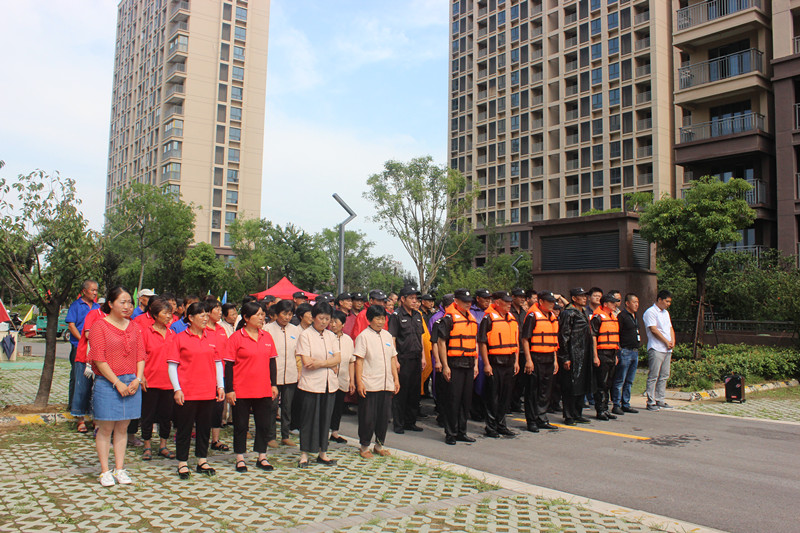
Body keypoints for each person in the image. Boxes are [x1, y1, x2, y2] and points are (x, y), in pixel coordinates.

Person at [88, 286, 145, 487]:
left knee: (123, 427)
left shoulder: (134, 326)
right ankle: (105, 471)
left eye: (130, 302)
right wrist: (117, 382)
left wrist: (138, 379)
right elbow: (99, 358)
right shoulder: (99, 326)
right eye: (122, 302)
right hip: (108, 382)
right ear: (110, 304)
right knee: (105, 428)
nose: (127, 306)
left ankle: (119, 468)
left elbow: (140, 355)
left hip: (131, 382)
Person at [167, 302, 226, 479]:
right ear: (191, 318)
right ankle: (182, 462)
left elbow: (218, 363)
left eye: (206, 315)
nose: (205, 318)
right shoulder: (179, 338)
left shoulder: (211, 337)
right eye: (201, 315)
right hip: (188, 391)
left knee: (204, 427)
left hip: (207, 391)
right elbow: (172, 365)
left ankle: (202, 459)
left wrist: (220, 386)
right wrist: (177, 389)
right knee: (184, 428)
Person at [225, 301, 279, 472]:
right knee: (241, 425)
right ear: (246, 318)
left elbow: (272, 362)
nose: (262, 318)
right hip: (241, 389)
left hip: (263, 388)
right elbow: (228, 366)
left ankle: (262, 456)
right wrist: (229, 389)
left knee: (263, 424)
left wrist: (274, 384)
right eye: (258, 315)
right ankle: (240, 457)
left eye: (263, 314)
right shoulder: (236, 338)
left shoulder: (267, 337)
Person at [295, 302, 341, 468]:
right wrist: (329, 363)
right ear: (313, 317)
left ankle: (323, 453)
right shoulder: (306, 335)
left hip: (329, 384)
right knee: (309, 419)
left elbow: (338, 358)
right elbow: (307, 362)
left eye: (327, 319)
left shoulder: (331, 336)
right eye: (321, 318)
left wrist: (320, 363)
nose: (324, 322)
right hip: (311, 384)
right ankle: (304, 454)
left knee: (325, 419)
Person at [355, 305, 400, 458]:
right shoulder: (363, 336)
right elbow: (359, 360)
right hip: (370, 384)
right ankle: (364, 447)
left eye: (383, 319)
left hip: (386, 384)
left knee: (383, 417)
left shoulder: (387, 336)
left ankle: (379, 445)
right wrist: (359, 382)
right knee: (368, 417)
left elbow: (392, 358)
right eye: (377, 318)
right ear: (369, 319)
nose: (381, 322)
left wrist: (396, 379)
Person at [436, 289, 479, 445]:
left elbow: (474, 341)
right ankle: (451, 433)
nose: (468, 304)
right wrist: (445, 365)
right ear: (456, 301)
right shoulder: (449, 318)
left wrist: (475, 364)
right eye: (465, 301)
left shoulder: (471, 318)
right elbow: (441, 342)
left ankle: (462, 431)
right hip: (454, 364)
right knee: (453, 400)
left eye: (469, 301)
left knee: (465, 400)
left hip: (469, 363)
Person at [139, 297, 177, 461]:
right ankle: (147, 445)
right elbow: (139, 356)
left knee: (166, 417)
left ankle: (163, 445)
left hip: (168, 383)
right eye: (165, 313)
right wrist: (141, 376)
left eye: (170, 313)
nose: (168, 316)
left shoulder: (173, 334)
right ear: (155, 315)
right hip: (150, 381)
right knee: (147, 415)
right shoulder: (146, 333)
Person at [478, 291, 519, 438]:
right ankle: (491, 427)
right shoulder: (488, 318)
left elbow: (516, 342)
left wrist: (516, 361)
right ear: (497, 303)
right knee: (493, 396)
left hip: (509, 361)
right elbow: (482, 342)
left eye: (509, 302)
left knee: (505, 396)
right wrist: (486, 364)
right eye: (505, 302)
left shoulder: (511, 318)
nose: (509, 304)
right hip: (495, 362)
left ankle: (501, 425)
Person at [521, 291, 560, 432]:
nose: (552, 305)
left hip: (549, 357)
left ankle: (542, 418)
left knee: (545, 391)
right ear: (541, 302)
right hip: (536, 357)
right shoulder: (532, 316)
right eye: (549, 302)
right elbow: (525, 339)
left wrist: (555, 360)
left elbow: (553, 340)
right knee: (533, 391)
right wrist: (528, 360)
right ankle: (531, 421)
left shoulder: (552, 317)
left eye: (553, 302)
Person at [389, 287, 425, 434]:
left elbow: (420, 337)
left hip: (416, 358)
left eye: (416, 298)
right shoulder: (396, 316)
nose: (414, 301)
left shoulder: (417, 315)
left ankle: (411, 422)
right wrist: (395, 360)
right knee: (401, 392)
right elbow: (392, 339)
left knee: (414, 392)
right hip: (403, 358)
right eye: (411, 298)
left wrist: (423, 356)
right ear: (403, 299)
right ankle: (399, 424)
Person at [265, 300, 300, 447]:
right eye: (284, 314)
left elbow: (299, 353)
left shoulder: (295, 330)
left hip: (291, 374)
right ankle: (270, 436)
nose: (287, 317)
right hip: (273, 375)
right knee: (272, 407)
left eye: (290, 314)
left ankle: (285, 435)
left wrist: (299, 371)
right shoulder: (267, 329)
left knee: (287, 407)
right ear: (277, 313)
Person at [557, 288, 594, 426]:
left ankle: (578, 413)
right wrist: (565, 357)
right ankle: (569, 415)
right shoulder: (568, 313)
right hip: (573, 353)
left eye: (585, 296)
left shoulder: (583, 312)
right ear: (574, 298)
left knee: (581, 385)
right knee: (570, 386)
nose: (585, 298)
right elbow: (564, 336)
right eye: (581, 296)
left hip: (584, 354)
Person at [71, 303, 107, 434]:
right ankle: (80, 418)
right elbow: (88, 334)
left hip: (103, 360)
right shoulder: (94, 314)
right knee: (82, 388)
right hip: (85, 357)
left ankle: (96, 418)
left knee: (98, 391)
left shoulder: (114, 317)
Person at [66, 280, 100, 412]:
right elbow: (71, 325)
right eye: (92, 290)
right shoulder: (76, 305)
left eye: (96, 290)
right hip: (79, 346)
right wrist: (83, 341)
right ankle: (74, 406)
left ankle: (89, 406)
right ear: (84, 291)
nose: (95, 293)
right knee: (77, 377)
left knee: (93, 378)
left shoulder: (97, 307)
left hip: (94, 348)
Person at [590, 294, 621, 421]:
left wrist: (616, 355)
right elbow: (593, 337)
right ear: (605, 304)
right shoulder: (597, 317)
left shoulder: (613, 317)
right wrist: (595, 356)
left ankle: (605, 409)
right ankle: (600, 410)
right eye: (612, 303)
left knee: (608, 383)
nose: (615, 305)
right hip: (602, 353)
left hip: (612, 353)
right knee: (601, 383)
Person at [206, 300, 231, 452]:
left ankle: (215, 440)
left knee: (218, 406)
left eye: (220, 309)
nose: (220, 312)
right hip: (205, 373)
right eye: (216, 309)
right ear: (207, 312)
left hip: (220, 373)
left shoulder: (221, 329)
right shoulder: (202, 329)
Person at [643, 290, 675, 411]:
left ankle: (660, 399)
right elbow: (653, 329)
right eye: (667, 301)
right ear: (660, 299)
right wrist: (665, 341)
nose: (668, 304)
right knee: (654, 375)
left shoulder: (666, 313)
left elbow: (670, 328)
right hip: (656, 347)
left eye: (669, 302)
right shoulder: (650, 312)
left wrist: (672, 341)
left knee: (664, 375)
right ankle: (651, 401)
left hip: (667, 349)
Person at [329, 310, 355, 444]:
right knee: (327, 407)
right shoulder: (327, 337)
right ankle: (323, 432)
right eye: (331, 321)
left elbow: (351, 361)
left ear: (343, 324)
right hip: (328, 379)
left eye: (336, 322)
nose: (333, 324)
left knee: (338, 407)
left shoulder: (348, 340)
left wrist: (352, 381)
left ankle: (334, 432)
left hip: (342, 379)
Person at [612, 293, 641, 415]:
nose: (637, 305)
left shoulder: (634, 316)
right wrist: (618, 350)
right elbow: (617, 334)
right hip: (625, 351)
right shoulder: (622, 316)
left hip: (634, 351)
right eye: (634, 302)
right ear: (627, 303)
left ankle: (626, 403)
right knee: (620, 380)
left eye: (637, 302)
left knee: (629, 380)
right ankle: (616, 404)